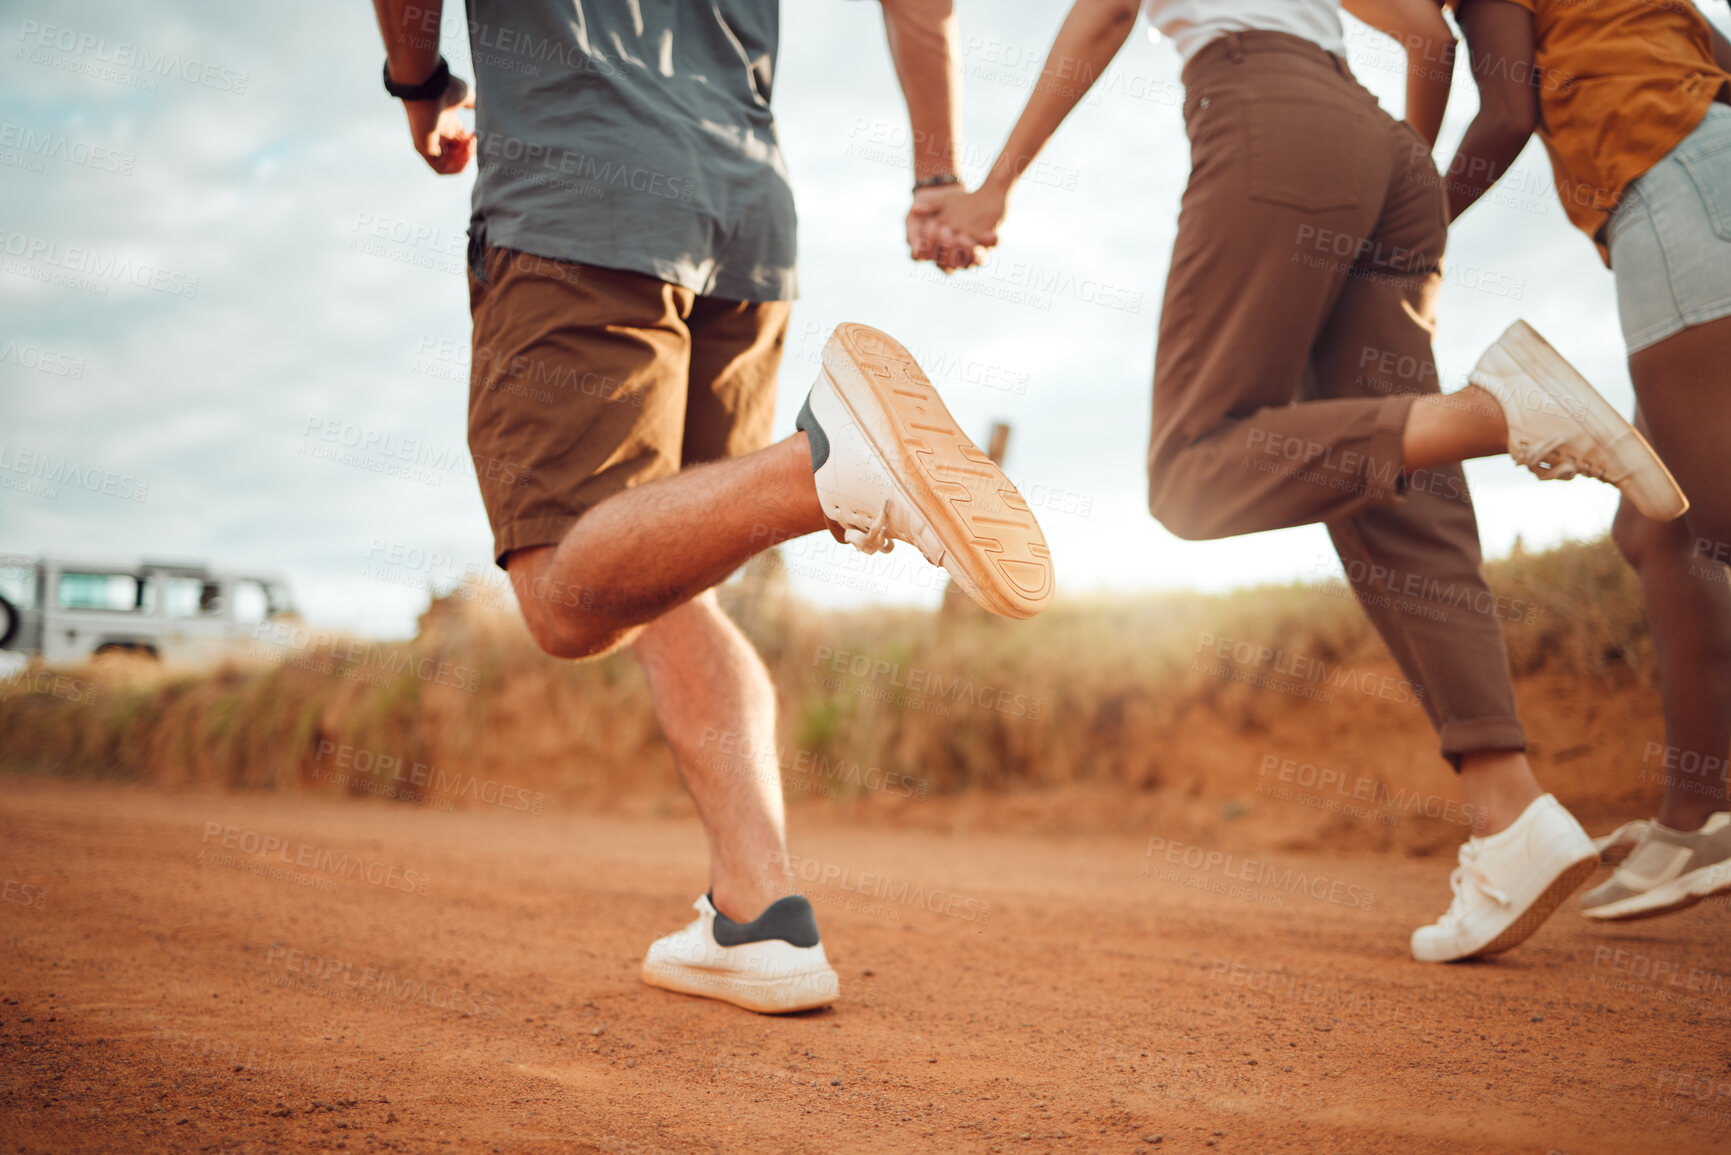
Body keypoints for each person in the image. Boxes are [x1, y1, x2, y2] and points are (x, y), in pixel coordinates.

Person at [912, 0, 1690, 962]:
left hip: (1265, 115)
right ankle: (1509, 815)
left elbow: (1107, 12)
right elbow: (1428, 36)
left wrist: (994, 185)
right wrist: (1385, 172)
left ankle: (1495, 416)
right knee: (1394, 478)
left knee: (1193, 472)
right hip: (1378, 144)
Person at [368, 0, 1055, 1014]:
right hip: (748, 214)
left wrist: (420, 83)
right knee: (668, 573)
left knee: (565, 598)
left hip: (581, 188)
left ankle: (825, 470)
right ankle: (757, 913)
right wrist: (937, 173)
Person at [1439, 0, 1731, 921]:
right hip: (1703, 159)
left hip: (1668, 181)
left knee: (1717, 513)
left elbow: (1503, 112)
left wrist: (1409, 228)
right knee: (1658, 523)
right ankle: (1700, 815)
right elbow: (1716, 51)